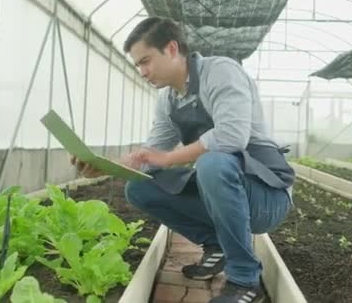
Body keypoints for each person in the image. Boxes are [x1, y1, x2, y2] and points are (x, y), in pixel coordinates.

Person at [71, 17, 295, 303]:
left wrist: (168, 158)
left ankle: (244, 280)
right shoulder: (169, 100)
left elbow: (231, 137)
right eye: (138, 65)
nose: (142, 71)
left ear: (172, 49)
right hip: (227, 188)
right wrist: (104, 166)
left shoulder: (221, 72)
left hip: (266, 196)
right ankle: (216, 246)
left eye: (146, 61)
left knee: (212, 163)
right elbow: (150, 153)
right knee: (140, 187)